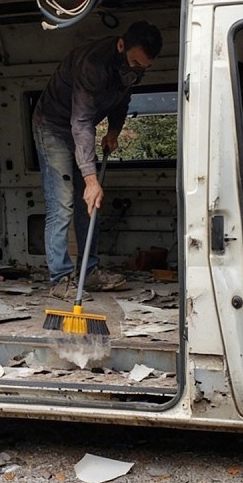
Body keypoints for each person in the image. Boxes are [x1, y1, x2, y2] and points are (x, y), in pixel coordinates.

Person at [32, 20, 162, 299]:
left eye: (145, 67)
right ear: (120, 46)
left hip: (79, 128)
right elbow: (81, 122)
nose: (139, 70)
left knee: (89, 205)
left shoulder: (132, 68)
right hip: (53, 127)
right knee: (63, 203)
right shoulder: (93, 64)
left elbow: (123, 100)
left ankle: (89, 273)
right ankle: (60, 279)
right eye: (136, 62)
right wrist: (91, 179)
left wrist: (114, 131)